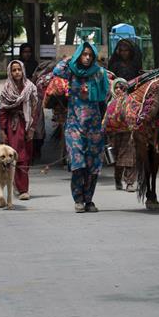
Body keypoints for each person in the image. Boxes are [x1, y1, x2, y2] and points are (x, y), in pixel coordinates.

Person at [54, 41, 109, 213]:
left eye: (90, 55)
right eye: (84, 54)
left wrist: (91, 91)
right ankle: (78, 199)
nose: (86, 58)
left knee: (93, 166)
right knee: (78, 163)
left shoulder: (99, 73)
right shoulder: (71, 71)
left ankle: (89, 200)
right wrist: (69, 58)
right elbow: (57, 71)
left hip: (94, 127)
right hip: (74, 125)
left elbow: (105, 94)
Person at [0, 60, 39, 200]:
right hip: (13, 127)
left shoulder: (30, 87)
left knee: (27, 156)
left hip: (27, 125)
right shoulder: (6, 89)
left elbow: (35, 109)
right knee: (16, 157)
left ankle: (19, 185)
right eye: (14, 70)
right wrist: (3, 131)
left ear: (23, 71)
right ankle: (22, 189)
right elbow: (3, 111)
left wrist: (32, 128)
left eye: (19, 70)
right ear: (10, 72)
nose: (17, 72)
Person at [107, 78, 137, 191]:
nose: (119, 90)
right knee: (118, 160)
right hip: (114, 134)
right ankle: (117, 179)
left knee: (130, 157)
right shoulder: (110, 103)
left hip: (129, 133)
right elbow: (106, 119)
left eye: (122, 87)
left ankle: (130, 183)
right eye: (117, 88)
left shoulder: (131, 101)